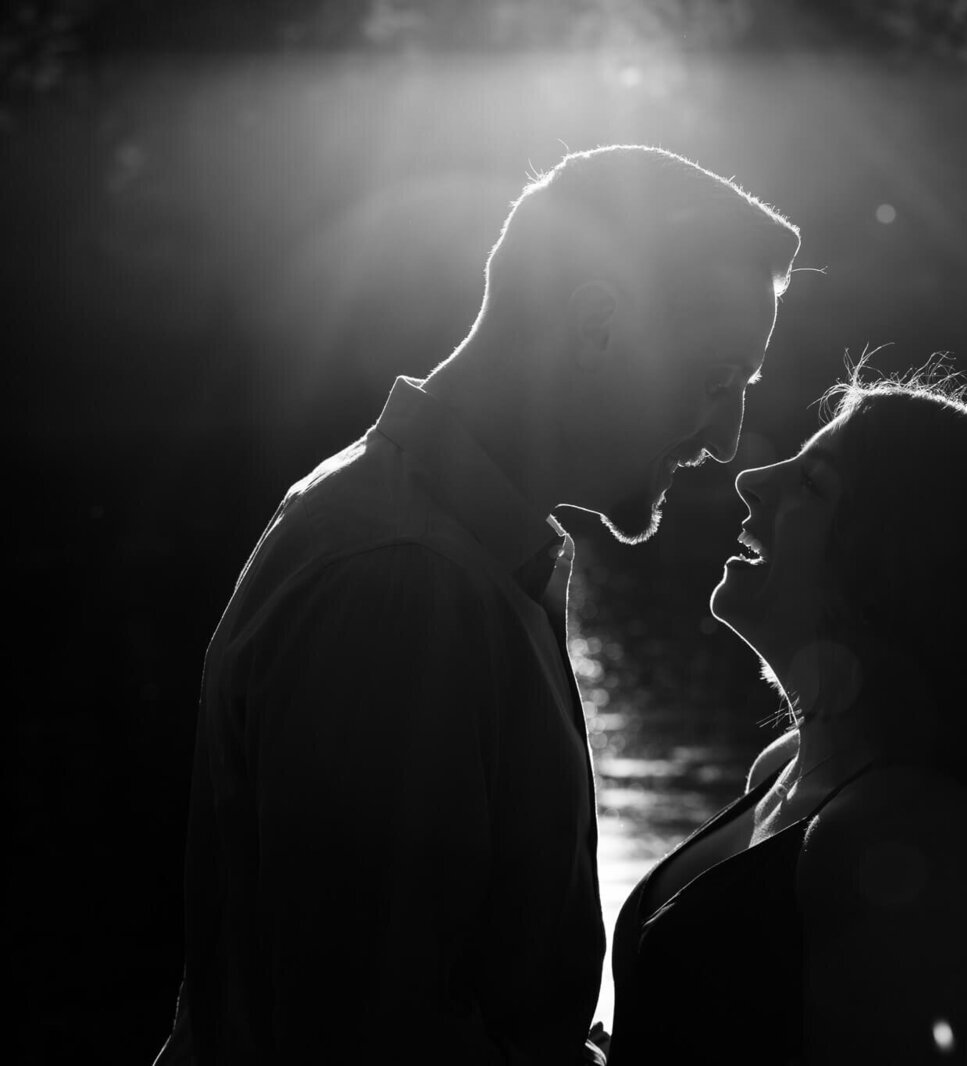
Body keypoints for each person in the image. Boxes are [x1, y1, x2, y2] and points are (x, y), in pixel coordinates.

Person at [155, 145, 800, 1064]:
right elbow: (379, 1041)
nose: (729, 438)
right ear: (598, 324)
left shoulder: (446, 547)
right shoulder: (404, 586)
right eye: (715, 379)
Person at [604, 362, 967, 1065]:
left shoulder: (907, 830)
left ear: (889, 568)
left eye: (812, 484)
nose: (754, 479)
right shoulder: (785, 766)